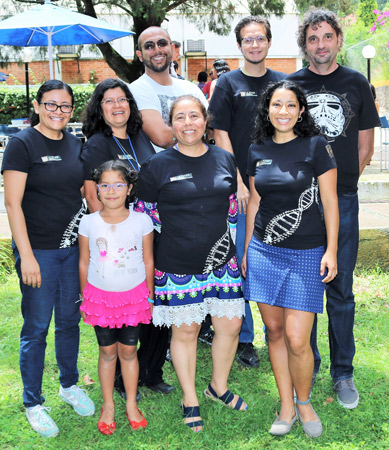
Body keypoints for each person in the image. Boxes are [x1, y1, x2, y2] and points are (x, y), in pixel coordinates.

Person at [135, 95, 246, 433]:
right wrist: (147, 272)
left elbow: (232, 212)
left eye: (194, 116)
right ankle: (190, 397)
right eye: (180, 117)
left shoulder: (225, 159)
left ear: (205, 120)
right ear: (171, 124)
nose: (188, 123)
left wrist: (236, 254)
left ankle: (218, 387)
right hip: (176, 265)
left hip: (222, 263)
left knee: (229, 326)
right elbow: (145, 222)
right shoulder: (156, 166)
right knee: (186, 331)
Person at [287, 8, 380, 409]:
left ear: (338, 39)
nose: (320, 45)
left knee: (340, 291)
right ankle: (308, 364)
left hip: (341, 199)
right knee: (305, 291)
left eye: (327, 37)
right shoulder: (290, 85)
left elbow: (364, 145)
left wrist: (342, 186)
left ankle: (343, 373)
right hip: (301, 204)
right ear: (304, 44)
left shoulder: (357, 82)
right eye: (313, 38)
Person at [242, 80, 339, 438]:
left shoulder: (316, 147)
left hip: (307, 251)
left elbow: (330, 201)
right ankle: (286, 404)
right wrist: (247, 249)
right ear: (267, 110)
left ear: (301, 111)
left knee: (298, 339)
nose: (283, 112)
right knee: (275, 331)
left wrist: (331, 250)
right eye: (276, 105)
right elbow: (254, 201)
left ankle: (304, 401)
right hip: (264, 251)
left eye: (290, 105)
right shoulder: (256, 149)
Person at [2, 80, 95, 438]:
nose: (58, 111)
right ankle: (33, 402)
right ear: (38, 106)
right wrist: (26, 255)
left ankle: (68, 385)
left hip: (72, 251)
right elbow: (12, 204)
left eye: (65, 106)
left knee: (70, 322)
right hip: (38, 252)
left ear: (72, 110)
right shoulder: (22, 144)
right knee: (37, 329)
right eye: (51, 105)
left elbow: (84, 195)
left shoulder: (77, 144)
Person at [129, 26, 208, 394]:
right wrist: (189, 135)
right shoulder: (138, 89)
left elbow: (202, 135)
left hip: (195, 191)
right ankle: (144, 367)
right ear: (140, 53)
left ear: (172, 48)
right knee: (157, 283)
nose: (157, 50)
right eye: (149, 45)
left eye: (162, 43)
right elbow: (162, 137)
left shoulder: (190, 89)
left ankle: (158, 367)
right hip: (160, 191)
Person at [209, 15, 286, 368]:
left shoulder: (283, 82)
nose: (254, 45)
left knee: (275, 259)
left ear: (268, 42)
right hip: (239, 191)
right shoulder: (227, 83)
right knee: (240, 262)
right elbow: (220, 134)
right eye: (247, 40)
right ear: (239, 46)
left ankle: (280, 329)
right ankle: (244, 338)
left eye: (260, 38)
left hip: (276, 189)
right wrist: (237, 179)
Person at [79, 160, 154, 434]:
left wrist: (150, 297)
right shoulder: (88, 222)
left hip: (134, 298)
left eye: (118, 185)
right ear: (97, 189)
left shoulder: (141, 220)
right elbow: (84, 262)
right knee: (108, 352)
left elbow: (148, 260)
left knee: (128, 351)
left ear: (129, 188)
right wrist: (84, 298)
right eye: (105, 185)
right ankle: (108, 404)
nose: (112, 191)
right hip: (100, 299)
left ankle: (131, 403)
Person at [81, 78, 155, 213]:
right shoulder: (96, 146)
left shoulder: (140, 136)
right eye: (109, 101)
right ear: (99, 109)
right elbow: (92, 197)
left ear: (129, 104)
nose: (117, 105)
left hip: (148, 224)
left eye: (122, 99)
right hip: (117, 227)